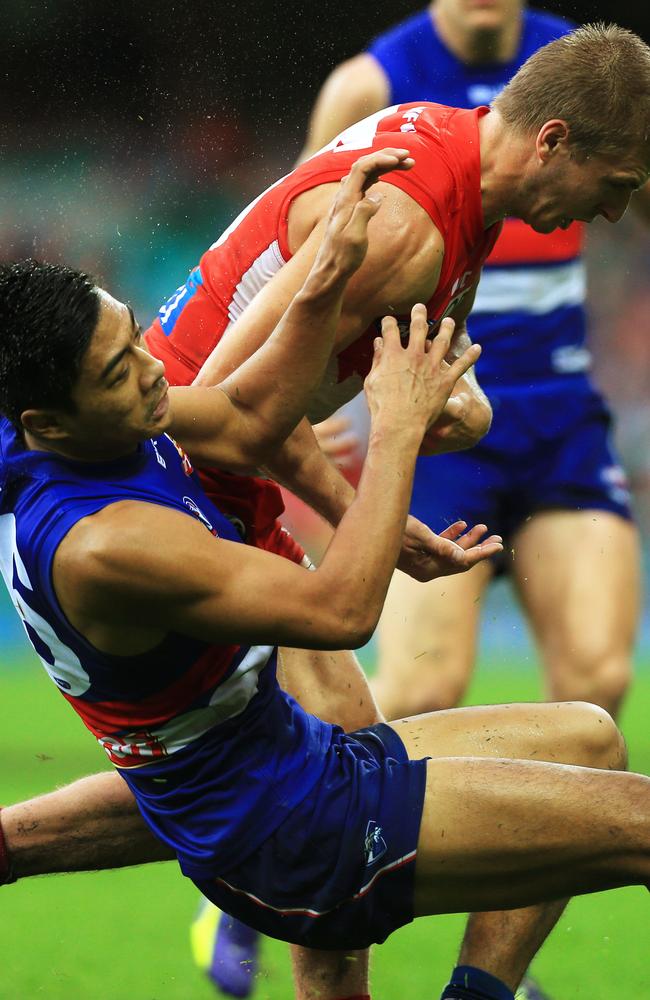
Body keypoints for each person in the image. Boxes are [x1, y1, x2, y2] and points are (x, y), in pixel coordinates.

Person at [2, 22, 650, 1000]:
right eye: (618, 186)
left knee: (556, 735)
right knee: (270, 784)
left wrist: (402, 408)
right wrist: (387, 447)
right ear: (554, 139)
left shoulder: (434, 153)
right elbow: (240, 424)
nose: (610, 217)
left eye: (136, 339)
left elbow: (249, 400)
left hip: (231, 634)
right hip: (218, 571)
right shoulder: (129, 524)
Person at [296, 3, 649, 997]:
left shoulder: (591, 75)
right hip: (442, 413)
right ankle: (276, 868)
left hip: (559, 411)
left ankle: (486, 978)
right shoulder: (373, 83)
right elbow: (303, 250)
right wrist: (294, 406)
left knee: (594, 677)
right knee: (412, 693)